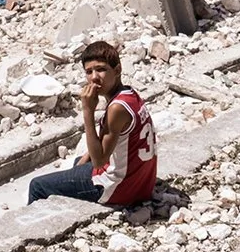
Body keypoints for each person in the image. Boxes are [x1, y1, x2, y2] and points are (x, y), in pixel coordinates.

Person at [25, 41, 158, 208]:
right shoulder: (130, 95)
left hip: (119, 188)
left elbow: (99, 162)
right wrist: (82, 163)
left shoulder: (116, 109)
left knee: (37, 185)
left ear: (117, 71)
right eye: (89, 72)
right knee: (77, 163)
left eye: (101, 69)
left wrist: (87, 111)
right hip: (142, 182)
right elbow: (105, 144)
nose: (94, 77)